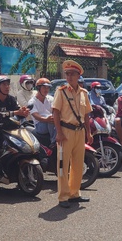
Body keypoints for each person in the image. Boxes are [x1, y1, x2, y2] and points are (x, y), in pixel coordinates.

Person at [52, 60, 93, 208]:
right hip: (65, 132)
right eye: (67, 74)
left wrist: (89, 133)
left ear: (78, 76)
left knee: (77, 164)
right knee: (63, 165)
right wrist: (59, 133)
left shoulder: (83, 93)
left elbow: (87, 114)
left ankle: (74, 193)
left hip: (80, 132)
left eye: (72, 74)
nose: (69, 77)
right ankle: (63, 197)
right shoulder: (61, 91)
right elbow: (55, 112)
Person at [28, 78, 56, 145]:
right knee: (50, 118)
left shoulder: (51, 99)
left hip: (50, 122)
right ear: (38, 88)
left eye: (48, 88)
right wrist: (46, 119)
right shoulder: (32, 102)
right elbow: (36, 116)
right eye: (44, 87)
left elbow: (56, 111)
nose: (46, 90)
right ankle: (54, 141)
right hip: (40, 125)